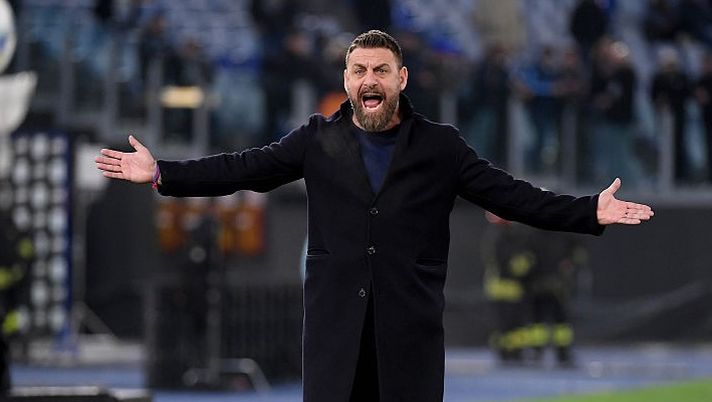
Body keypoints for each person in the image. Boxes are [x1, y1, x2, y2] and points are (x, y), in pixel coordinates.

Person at [96, 30, 654, 402]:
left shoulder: (440, 146)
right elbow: (242, 168)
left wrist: (589, 210)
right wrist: (163, 172)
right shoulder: (316, 139)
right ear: (346, 80)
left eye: (381, 70)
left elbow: (511, 196)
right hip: (334, 339)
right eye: (359, 69)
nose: (370, 80)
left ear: (401, 80)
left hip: (409, 339)